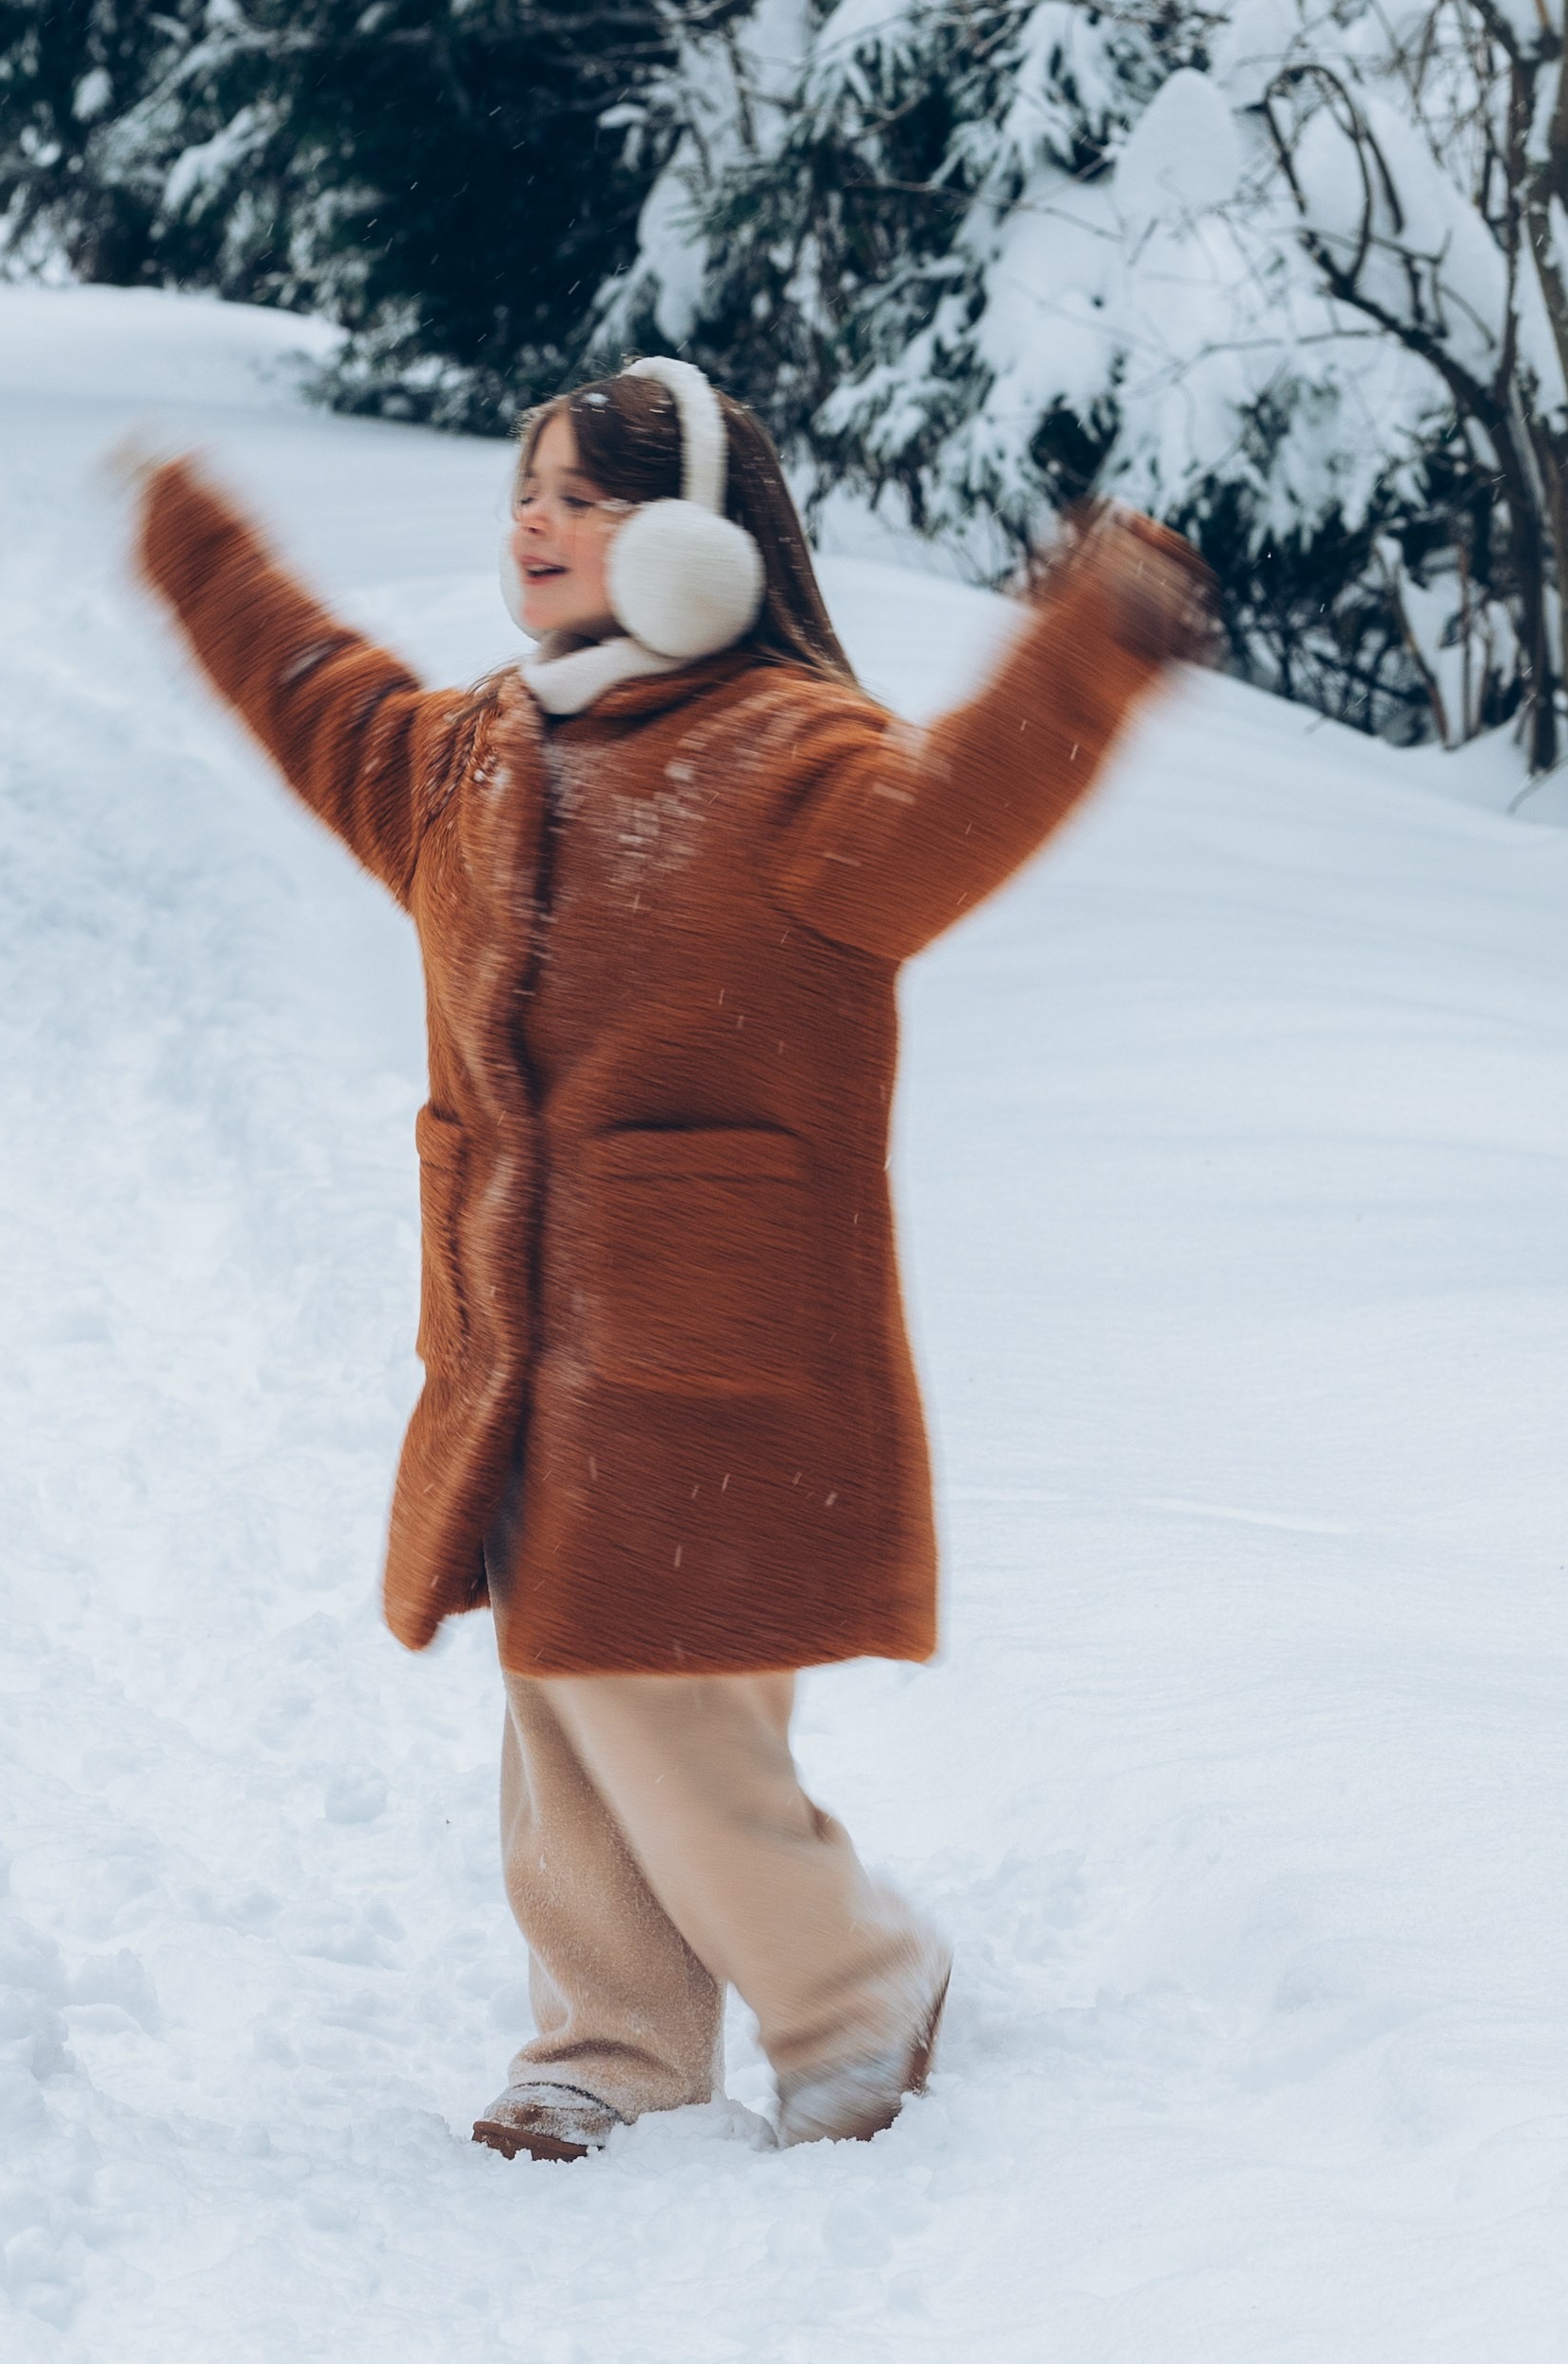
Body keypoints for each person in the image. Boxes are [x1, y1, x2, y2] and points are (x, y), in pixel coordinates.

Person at [118, 359, 1216, 2162]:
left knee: (645, 1690)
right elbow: (321, 707)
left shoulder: (793, 764)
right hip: (519, 1332)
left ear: (704, 542)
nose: (534, 521)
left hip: (720, 1345)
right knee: (566, 1695)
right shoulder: (474, 754)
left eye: (588, 493)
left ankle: (859, 1986)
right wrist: (206, 567)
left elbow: (965, 810)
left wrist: (1087, 643)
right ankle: (614, 2040)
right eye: (526, 492)